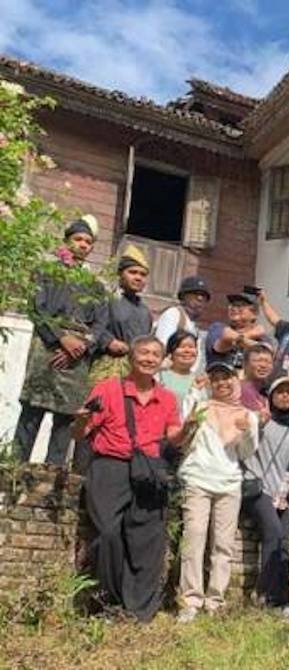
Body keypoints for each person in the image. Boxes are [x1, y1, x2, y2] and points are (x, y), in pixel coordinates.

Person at [72, 335, 194, 622]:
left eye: (155, 354)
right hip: (110, 467)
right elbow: (80, 433)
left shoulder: (166, 398)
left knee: (147, 541)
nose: (149, 358)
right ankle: (108, 601)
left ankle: (138, 608)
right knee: (108, 534)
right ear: (131, 357)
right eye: (144, 353)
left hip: (148, 471)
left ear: (162, 361)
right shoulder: (107, 389)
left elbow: (173, 438)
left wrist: (189, 428)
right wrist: (79, 419)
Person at [176, 361, 259, 622]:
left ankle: (215, 601)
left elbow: (246, 453)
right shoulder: (200, 407)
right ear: (211, 383)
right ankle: (190, 601)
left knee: (223, 545)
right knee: (194, 538)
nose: (222, 383)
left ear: (236, 381)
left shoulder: (247, 415)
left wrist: (245, 433)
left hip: (229, 482)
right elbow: (183, 437)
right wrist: (192, 398)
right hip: (198, 478)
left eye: (227, 378)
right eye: (217, 379)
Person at [16, 217, 102, 465]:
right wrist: (61, 338)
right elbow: (36, 309)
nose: (83, 245)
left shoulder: (96, 286)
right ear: (66, 242)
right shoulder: (44, 272)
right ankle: (13, 476)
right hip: (46, 350)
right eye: (78, 239)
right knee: (32, 411)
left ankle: (51, 482)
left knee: (65, 418)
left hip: (77, 360)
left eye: (88, 241)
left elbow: (100, 325)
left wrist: (80, 346)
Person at [244, 376, 289, 607]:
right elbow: (244, 444)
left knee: (283, 541)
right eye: (280, 392)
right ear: (271, 397)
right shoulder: (262, 421)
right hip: (256, 486)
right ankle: (261, 593)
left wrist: (284, 490)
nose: (285, 396)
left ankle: (281, 598)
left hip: (280, 490)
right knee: (274, 533)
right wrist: (257, 424)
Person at [89, 246, 153, 383]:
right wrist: (107, 341)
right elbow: (91, 325)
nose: (138, 278)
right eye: (133, 272)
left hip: (134, 371)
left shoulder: (145, 311)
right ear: (120, 274)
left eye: (142, 274)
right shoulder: (107, 299)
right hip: (106, 366)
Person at [153, 275, 210, 374]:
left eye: (204, 296)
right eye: (195, 294)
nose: (200, 298)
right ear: (183, 296)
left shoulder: (193, 326)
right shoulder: (173, 314)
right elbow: (161, 347)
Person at [205, 291, 272, 370]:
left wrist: (238, 339)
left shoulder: (263, 338)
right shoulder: (218, 328)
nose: (234, 308)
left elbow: (267, 353)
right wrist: (251, 335)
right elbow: (221, 344)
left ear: (254, 313)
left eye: (240, 306)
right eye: (232, 305)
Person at [157, 331, 204, 420]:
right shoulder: (159, 375)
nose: (187, 351)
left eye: (191, 347)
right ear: (171, 352)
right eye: (182, 347)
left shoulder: (200, 380)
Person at [240, 342, 276, 412]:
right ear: (245, 364)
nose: (263, 365)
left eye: (268, 362)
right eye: (258, 361)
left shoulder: (266, 392)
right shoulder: (241, 390)